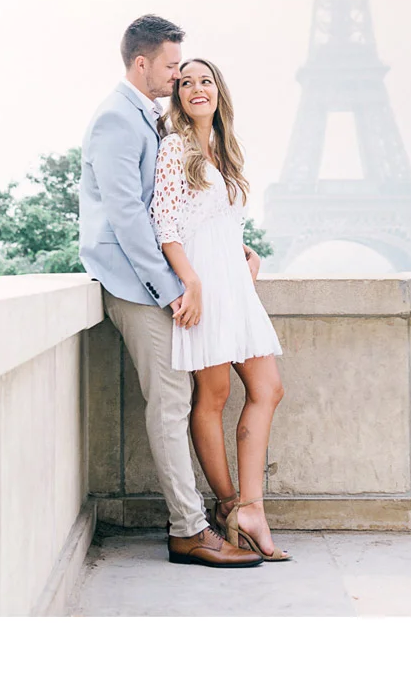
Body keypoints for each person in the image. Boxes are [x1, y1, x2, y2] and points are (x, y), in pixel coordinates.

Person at [79, 16, 261, 568]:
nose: (178, 74)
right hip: (135, 284)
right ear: (141, 64)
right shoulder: (117, 119)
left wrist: (235, 247)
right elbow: (129, 214)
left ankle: (199, 520)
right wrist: (172, 286)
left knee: (178, 399)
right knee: (171, 402)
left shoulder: (145, 117)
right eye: (171, 66)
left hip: (150, 279)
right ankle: (188, 530)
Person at [150, 57, 290, 561]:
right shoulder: (174, 147)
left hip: (233, 281)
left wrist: (244, 251)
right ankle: (230, 504)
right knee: (213, 393)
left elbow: (218, 218)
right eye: (185, 83)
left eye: (204, 80)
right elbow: (166, 224)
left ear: (218, 91)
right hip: (203, 284)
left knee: (268, 388)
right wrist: (192, 281)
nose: (195, 88)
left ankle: (249, 507)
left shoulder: (225, 150)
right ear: (179, 97)